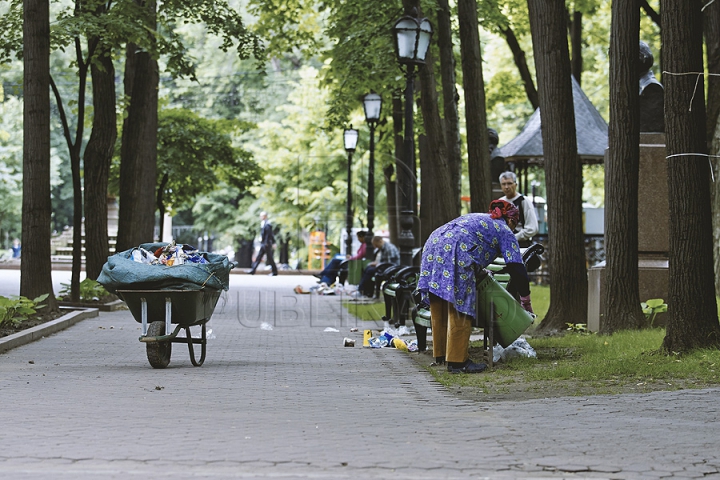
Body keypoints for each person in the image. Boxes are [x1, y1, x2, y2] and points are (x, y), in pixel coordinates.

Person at [417, 200, 534, 374]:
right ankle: (458, 362)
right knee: (461, 306)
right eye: (514, 224)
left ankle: (440, 355)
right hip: (455, 250)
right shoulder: (504, 230)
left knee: (439, 302)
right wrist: (525, 300)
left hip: (433, 244)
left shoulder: (479, 219)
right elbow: (517, 267)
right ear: (511, 220)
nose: (513, 228)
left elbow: (472, 240)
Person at [498, 171, 538, 248]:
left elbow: (532, 228)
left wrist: (514, 237)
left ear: (515, 185)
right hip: (504, 246)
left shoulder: (524, 201)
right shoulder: (499, 202)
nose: (506, 187)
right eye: (504, 184)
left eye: (509, 183)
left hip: (522, 246)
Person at [248, 211, 278, 276]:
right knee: (259, 257)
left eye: (262, 216)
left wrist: (268, 243)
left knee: (270, 258)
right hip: (264, 243)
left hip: (266, 244)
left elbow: (269, 235)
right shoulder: (264, 223)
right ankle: (253, 270)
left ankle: (274, 271)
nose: (261, 217)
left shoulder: (267, 224)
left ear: (265, 216)